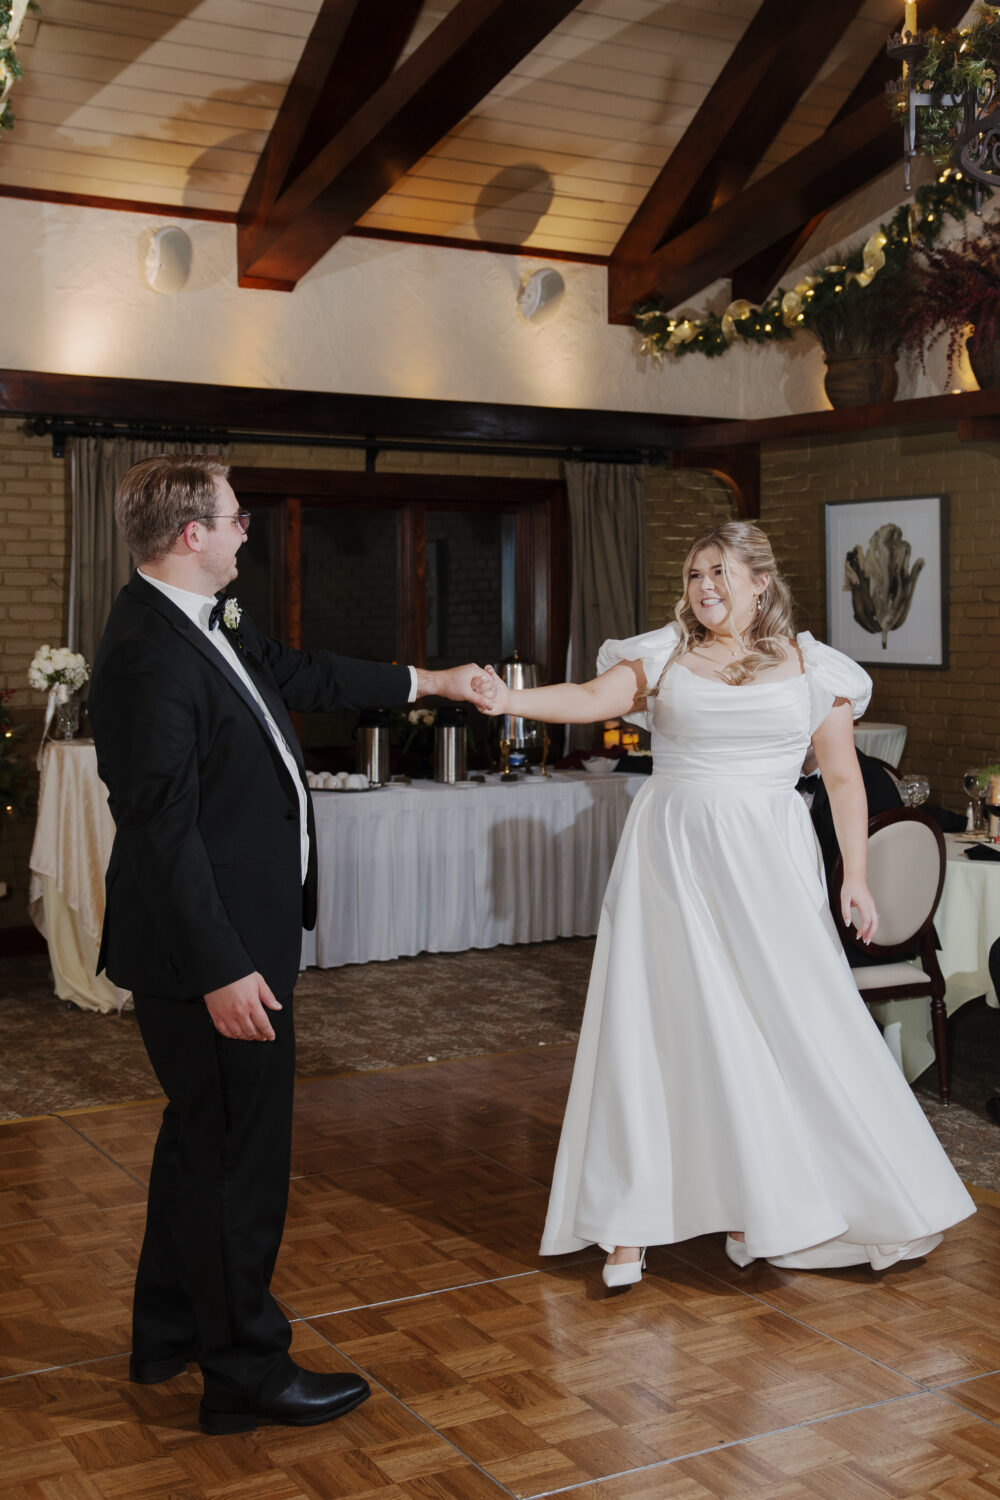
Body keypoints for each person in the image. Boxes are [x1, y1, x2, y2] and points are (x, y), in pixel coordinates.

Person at [88, 455, 490, 1434]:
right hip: (211, 958)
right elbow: (161, 831)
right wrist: (226, 965)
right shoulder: (149, 653)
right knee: (239, 1165)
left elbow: (301, 673)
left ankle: (169, 1329)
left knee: (197, 1144)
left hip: (225, 945)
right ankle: (245, 1375)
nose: (245, 531)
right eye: (235, 518)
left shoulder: (200, 624)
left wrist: (428, 679)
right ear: (192, 536)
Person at [476, 521, 974, 1283]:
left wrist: (856, 875)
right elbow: (586, 697)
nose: (702, 586)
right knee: (658, 1023)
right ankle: (629, 1223)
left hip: (770, 860)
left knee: (781, 1022)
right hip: (670, 856)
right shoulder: (663, 656)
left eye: (718, 572)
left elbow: (842, 780)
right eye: (692, 575)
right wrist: (508, 696)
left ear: (760, 580)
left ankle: (763, 1205)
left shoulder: (814, 667)